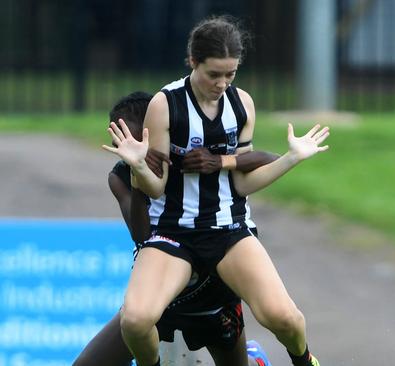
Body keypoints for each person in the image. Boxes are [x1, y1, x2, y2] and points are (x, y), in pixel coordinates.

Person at [102, 15, 329, 366]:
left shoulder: (242, 105)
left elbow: (242, 183)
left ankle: (304, 360)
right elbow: (156, 188)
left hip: (229, 231)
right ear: (193, 62)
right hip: (174, 235)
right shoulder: (166, 104)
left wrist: (291, 159)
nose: (222, 83)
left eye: (231, 74)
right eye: (214, 74)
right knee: (135, 320)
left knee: (285, 318)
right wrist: (139, 165)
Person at [76, 91, 278, 366]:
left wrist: (224, 162)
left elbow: (267, 159)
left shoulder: (191, 162)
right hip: (159, 296)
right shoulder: (121, 176)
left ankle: (255, 360)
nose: (129, 152)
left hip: (211, 292)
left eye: (136, 143)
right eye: (120, 145)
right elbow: (142, 237)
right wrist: (138, 174)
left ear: (157, 133)